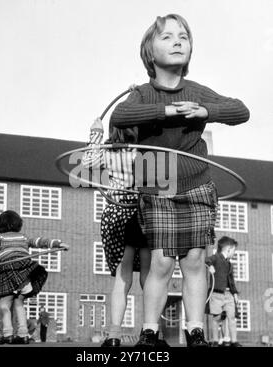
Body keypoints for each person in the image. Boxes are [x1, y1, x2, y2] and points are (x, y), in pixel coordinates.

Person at [110, 14, 250, 347]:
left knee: (195, 259)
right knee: (160, 259)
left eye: (183, 37)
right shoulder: (142, 94)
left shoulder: (196, 91)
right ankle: (148, 331)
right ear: (149, 51)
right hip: (156, 184)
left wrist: (206, 111)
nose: (177, 41)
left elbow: (240, 110)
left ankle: (195, 330)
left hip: (197, 184)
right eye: (167, 36)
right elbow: (120, 117)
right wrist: (167, 111)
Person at [82, 117, 152, 347]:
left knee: (122, 277)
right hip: (140, 212)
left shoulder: (105, 152)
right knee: (148, 276)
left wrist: (95, 134)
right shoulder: (143, 151)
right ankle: (150, 333)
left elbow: (87, 162)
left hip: (115, 213)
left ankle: (113, 336)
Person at [0, 210, 69, 344]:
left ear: (0, 225)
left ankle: (8, 334)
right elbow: (39, 241)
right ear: (18, 224)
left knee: (4, 305)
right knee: (19, 303)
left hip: (8, 271)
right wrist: (58, 243)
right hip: (24, 273)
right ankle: (23, 335)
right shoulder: (23, 237)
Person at [206, 236, 242, 347]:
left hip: (229, 294)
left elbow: (231, 280)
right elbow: (207, 260)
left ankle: (234, 341)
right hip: (216, 293)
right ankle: (215, 341)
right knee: (216, 318)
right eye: (234, 250)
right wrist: (210, 266)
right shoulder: (216, 257)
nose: (234, 253)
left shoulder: (229, 264)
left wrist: (235, 293)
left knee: (231, 317)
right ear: (229, 249)